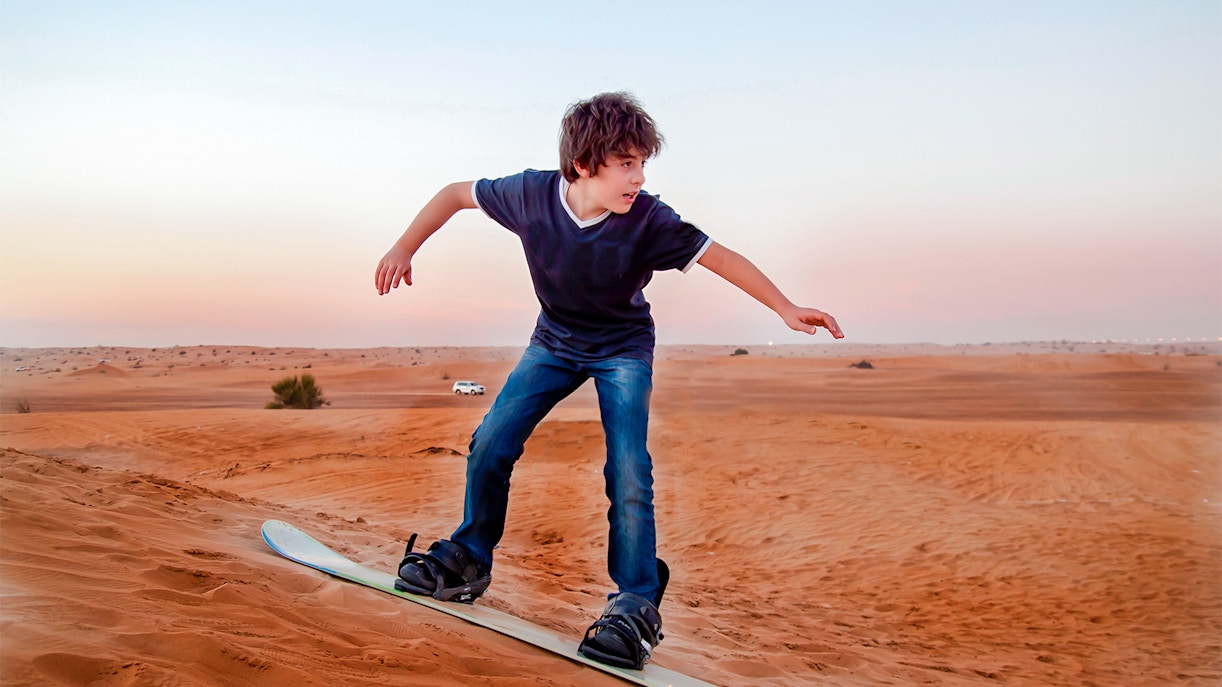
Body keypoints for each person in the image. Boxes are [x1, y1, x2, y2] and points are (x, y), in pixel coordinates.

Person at [374, 91, 843, 670]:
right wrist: (404, 246)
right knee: (491, 441)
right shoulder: (529, 195)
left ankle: (636, 603)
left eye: (642, 163)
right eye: (626, 164)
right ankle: (469, 556)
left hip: (622, 349)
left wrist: (784, 307)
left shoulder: (649, 219)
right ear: (582, 165)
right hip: (553, 343)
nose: (639, 178)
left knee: (627, 469)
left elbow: (720, 257)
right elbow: (453, 194)